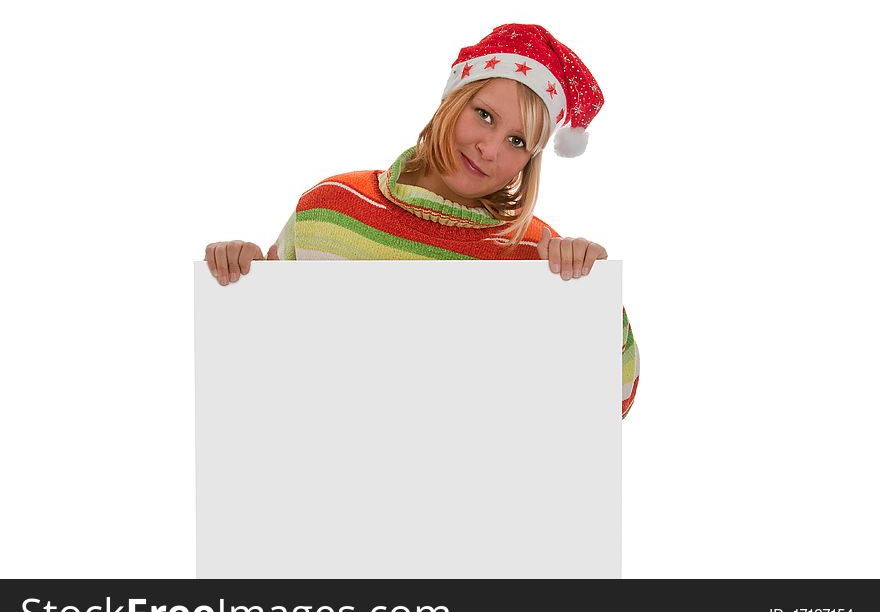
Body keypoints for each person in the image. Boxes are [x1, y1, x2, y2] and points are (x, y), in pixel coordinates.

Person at [204, 24, 640, 418]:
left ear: (530, 161)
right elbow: (265, 369)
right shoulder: (332, 208)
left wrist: (595, 298)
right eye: (483, 115)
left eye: (516, 140)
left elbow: (612, 404)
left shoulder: (536, 256)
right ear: (452, 101)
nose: (489, 148)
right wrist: (244, 275)